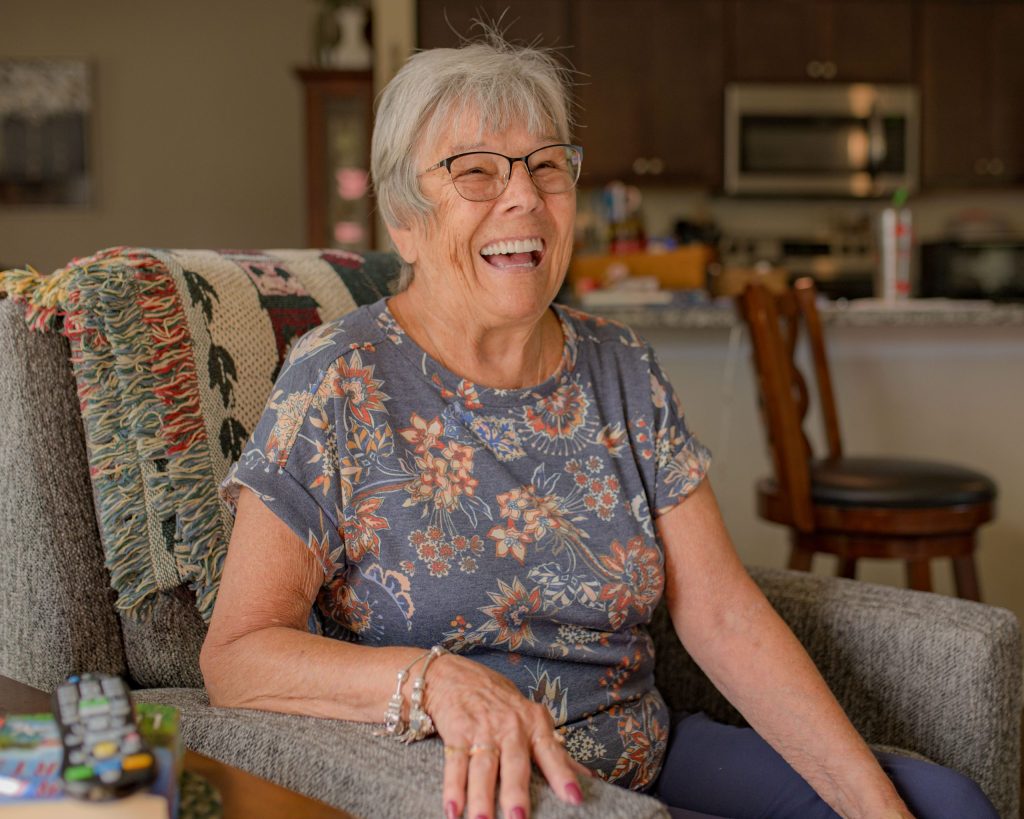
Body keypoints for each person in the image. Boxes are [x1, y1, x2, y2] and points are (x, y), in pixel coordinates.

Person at [200, 31, 998, 819]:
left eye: (546, 166)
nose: (524, 197)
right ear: (404, 219)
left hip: (652, 756)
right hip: (486, 781)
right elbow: (237, 655)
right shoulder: (340, 378)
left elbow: (722, 613)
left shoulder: (621, 365)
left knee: (947, 806)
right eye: (476, 171)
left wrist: (873, 804)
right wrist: (432, 680)